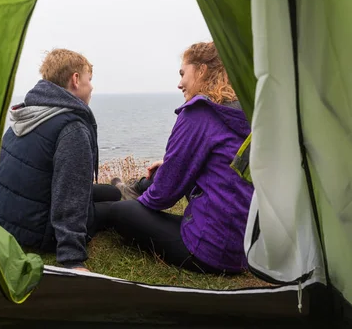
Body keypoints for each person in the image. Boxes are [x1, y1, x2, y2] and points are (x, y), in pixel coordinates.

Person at [108, 41, 253, 274]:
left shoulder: (199, 112)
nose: (179, 83)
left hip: (211, 251)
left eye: (183, 73)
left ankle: (123, 195)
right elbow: (222, 169)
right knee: (150, 184)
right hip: (245, 250)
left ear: (202, 70)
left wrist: (139, 206)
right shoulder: (243, 112)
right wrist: (168, 168)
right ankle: (128, 189)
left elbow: (164, 196)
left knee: (119, 212)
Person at [0, 49, 120, 272]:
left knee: (112, 193)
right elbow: (69, 194)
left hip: (6, 222)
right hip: (39, 232)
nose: (92, 87)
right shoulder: (72, 128)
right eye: (90, 80)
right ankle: (125, 196)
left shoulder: (31, 113)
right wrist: (72, 259)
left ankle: (121, 189)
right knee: (117, 209)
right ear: (76, 80)